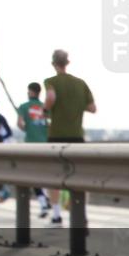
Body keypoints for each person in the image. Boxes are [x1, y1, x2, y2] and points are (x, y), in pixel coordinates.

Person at [43, 49, 96, 226]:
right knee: (79, 175)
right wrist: (76, 106)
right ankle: (81, 214)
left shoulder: (51, 81)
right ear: (68, 63)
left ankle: (56, 215)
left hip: (57, 135)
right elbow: (92, 108)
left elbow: (51, 96)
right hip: (77, 136)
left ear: (53, 64)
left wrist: (46, 110)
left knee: (54, 176)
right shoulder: (80, 83)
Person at [17, 82, 51, 217]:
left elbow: (20, 124)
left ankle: (43, 202)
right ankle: (47, 199)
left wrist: (29, 129)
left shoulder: (24, 107)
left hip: (31, 145)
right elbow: (49, 124)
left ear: (31, 92)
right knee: (44, 173)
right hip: (46, 144)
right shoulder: (44, 107)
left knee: (32, 174)